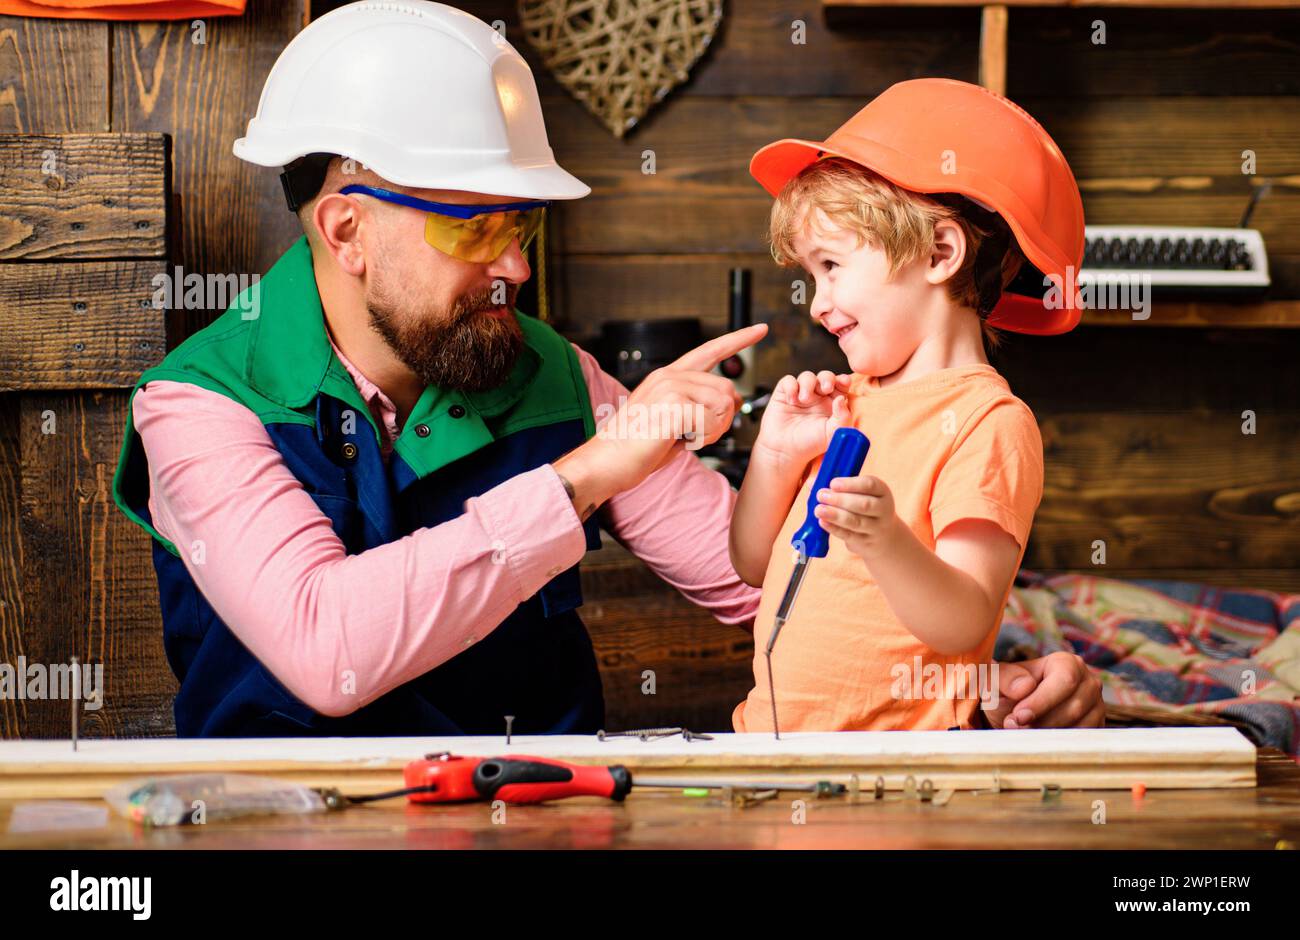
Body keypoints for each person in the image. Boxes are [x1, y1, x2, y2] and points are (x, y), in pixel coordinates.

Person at [111, 1, 1100, 736]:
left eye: (524, 225)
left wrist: (988, 672)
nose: (517, 267)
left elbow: (786, 584)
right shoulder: (198, 406)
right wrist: (591, 473)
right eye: (480, 228)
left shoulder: (555, 375)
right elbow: (328, 651)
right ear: (346, 228)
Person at [730, 79, 1102, 732]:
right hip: (773, 748)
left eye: (832, 266)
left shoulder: (990, 424)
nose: (816, 303)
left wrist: (885, 540)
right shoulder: (847, 404)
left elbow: (963, 620)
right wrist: (775, 456)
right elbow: (754, 564)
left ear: (938, 253)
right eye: (810, 276)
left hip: (897, 773)